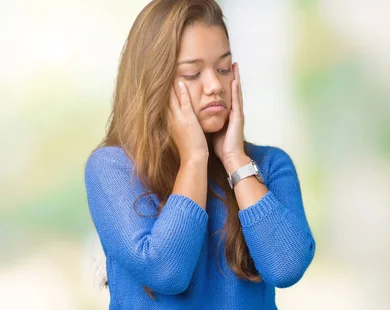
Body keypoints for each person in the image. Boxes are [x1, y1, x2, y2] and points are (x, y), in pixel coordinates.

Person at [83, 0, 316, 308]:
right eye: (193, 74)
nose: (214, 85)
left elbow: (286, 268)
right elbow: (166, 271)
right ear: (155, 81)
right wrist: (194, 158)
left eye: (223, 68)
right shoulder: (112, 168)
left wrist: (234, 159)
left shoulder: (269, 165)